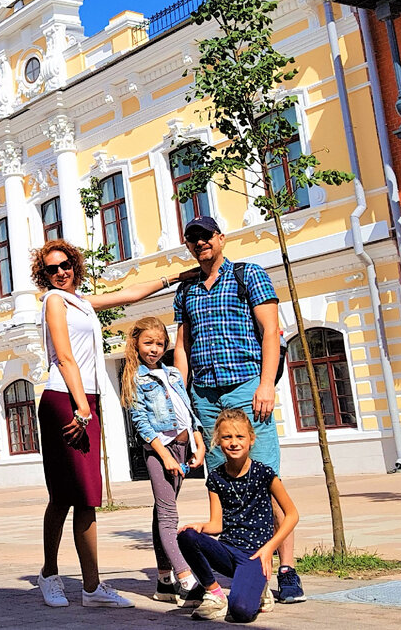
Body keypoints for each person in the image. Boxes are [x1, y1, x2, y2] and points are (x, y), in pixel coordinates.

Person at [33, 238, 195, 610]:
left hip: (85, 401)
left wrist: (176, 278)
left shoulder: (81, 302)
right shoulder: (53, 301)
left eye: (64, 265)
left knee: (87, 496)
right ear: (44, 275)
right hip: (64, 401)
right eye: (51, 269)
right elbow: (65, 358)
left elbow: (130, 295)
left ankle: (92, 589)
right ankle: (49, 574)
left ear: (75, 264)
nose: (60, 273)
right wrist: (81, 409)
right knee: (63, 496)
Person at [172, 215, 305, 603]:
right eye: (193, 238)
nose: (200, 243)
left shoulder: (249, 275)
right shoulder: (187, 290)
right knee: (223, 486)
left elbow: (270, 332)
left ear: (221, 237)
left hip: (248, 387)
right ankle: (241, 563)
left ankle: (287, 570)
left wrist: (267, 383)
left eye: (206, 235)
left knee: (266, 478)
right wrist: (182, 398)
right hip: (206, 397)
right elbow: (182, 347)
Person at [177, 408, 299, 622]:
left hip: (255, 555)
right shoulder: (216, 477)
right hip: (227, 550)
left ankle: (259, 591)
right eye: (227, 437)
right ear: (218, 440)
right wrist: (200, 527)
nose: (234, 442)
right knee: (186, 535)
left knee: (241, 612)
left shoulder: (265, 474)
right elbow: (217, 524)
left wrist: (270, 548)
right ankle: (214, 594)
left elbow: (292, 515)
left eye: (240, 436)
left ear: (251, 439)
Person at [120, 316, 207, 606]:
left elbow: (186, 408)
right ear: (136, 344)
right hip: (161, 452)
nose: (154, 349)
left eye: (159, 343)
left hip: (183, 447)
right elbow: (142, 424)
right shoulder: (135, 378)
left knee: (162, 512)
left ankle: (163, 581)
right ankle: (186, 578)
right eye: (148, 343)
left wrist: (198, 439)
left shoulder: (171, 374)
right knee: (169, 516)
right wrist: (165, 455)